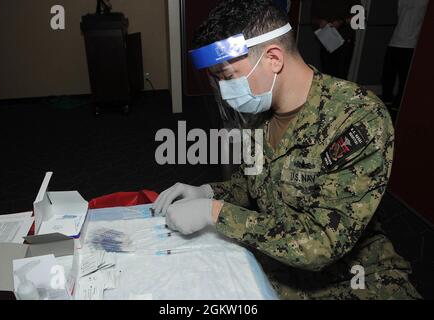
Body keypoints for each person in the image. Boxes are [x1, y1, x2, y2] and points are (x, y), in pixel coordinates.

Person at [154, 0, 421, 299]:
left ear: (273, 58)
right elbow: (252, 184)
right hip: (279, 264)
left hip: (352, 280)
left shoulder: (356, 117)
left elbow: (322, 242)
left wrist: (214, 213)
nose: (225, 89)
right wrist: (207, 193)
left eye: (228, 76)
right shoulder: (257, 115)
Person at [382, 0, 429, 110]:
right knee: (387, 76)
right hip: (394, 42)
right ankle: (387, 100)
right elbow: (400, 14)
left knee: (405, 79)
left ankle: (398, 105)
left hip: (411, 45)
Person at [311, 0, 361, 79]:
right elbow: (312, 18)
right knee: (326, 75)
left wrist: (341, 22)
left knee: (341, 76)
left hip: (344, 41)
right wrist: (320, 22)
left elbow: (359, 17)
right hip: (326, 40)